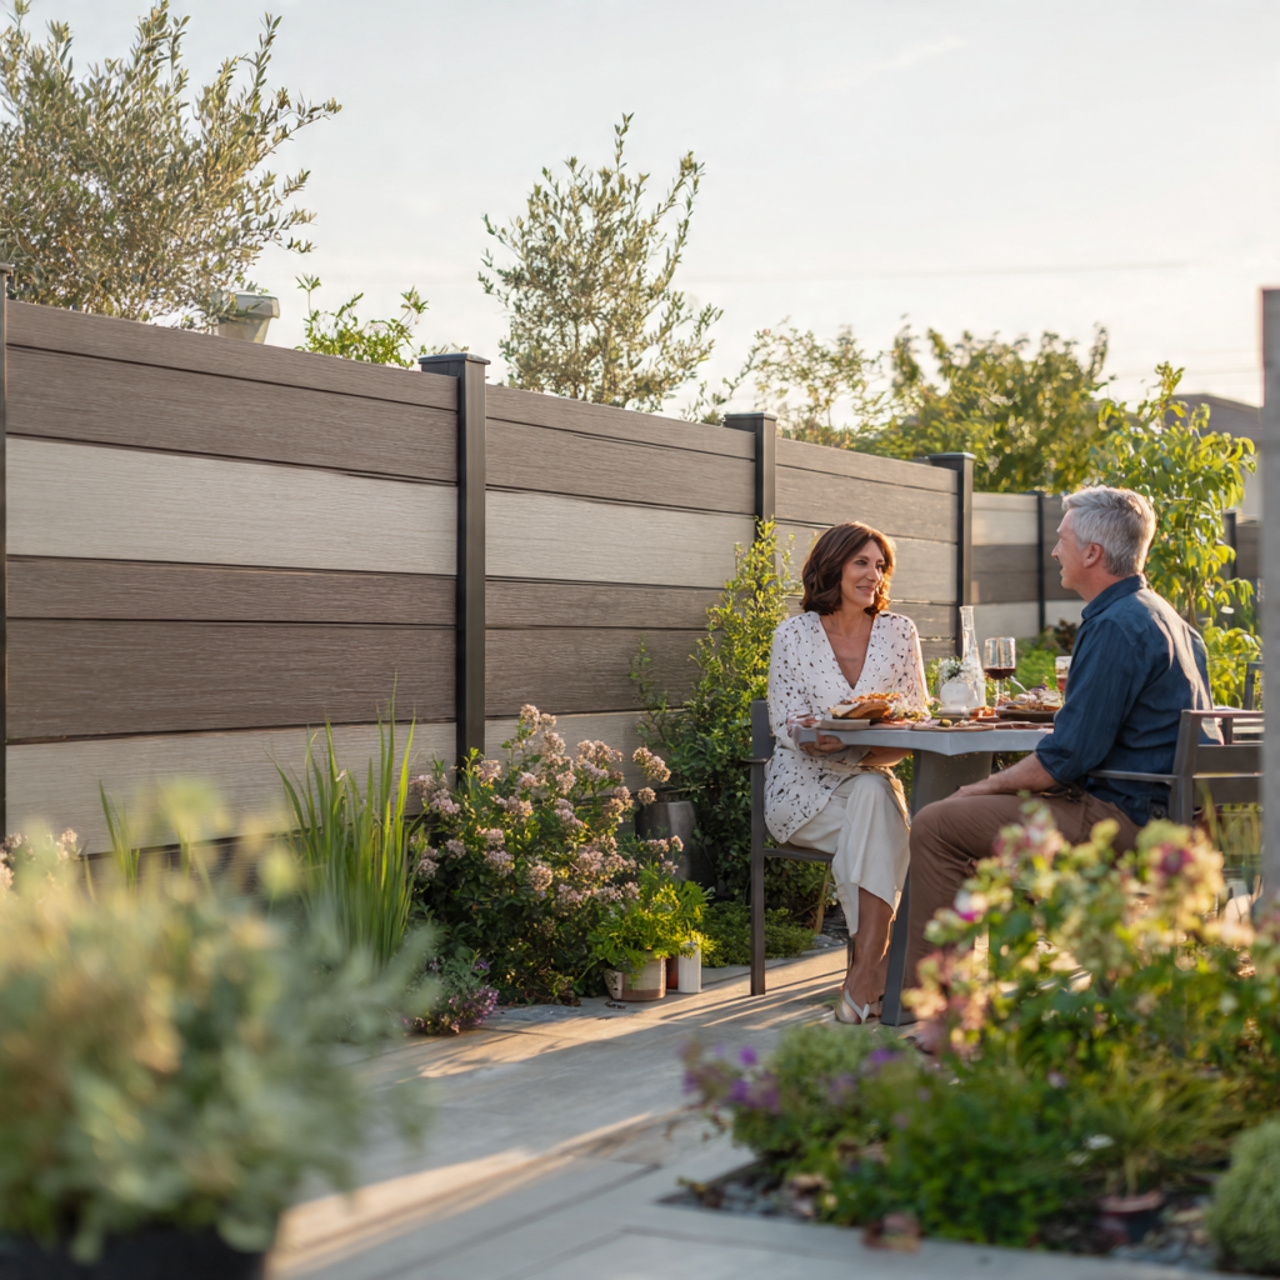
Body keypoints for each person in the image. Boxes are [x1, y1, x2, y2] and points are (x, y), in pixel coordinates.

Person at [902, 485, 1218, 988]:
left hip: (1124, 825)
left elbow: (1066, 758)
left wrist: (980, 787)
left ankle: (939, 1010)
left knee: (939, 822)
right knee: (972, 822)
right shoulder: (1171, 620)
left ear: (1092, 552)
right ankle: (1034, 975)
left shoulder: (1115, 624)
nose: (1054, 551)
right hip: (1178, 820)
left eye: (1061, 539)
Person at [766, 521, 929, 1025]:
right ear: (832, 566)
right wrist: (820, 735)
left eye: (880, 566)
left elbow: (916, 715)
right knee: (878, 815)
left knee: (872, 799)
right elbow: (785, 721)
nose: (873, 576)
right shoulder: (792, 635)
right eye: (862, 563)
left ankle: (861, 975)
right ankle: (875, 970)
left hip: (871, 775)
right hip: (800, 789)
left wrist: (863, 744)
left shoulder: (899, 632)